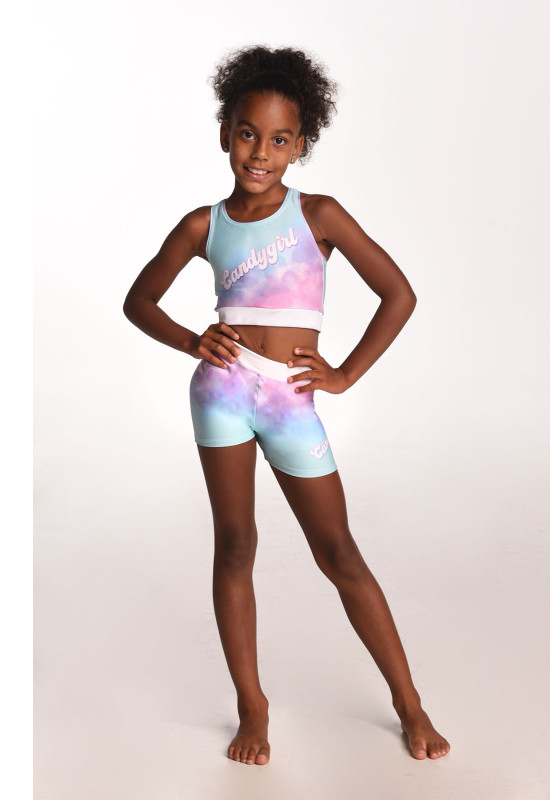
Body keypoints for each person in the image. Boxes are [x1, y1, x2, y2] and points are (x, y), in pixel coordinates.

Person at [123, 44, 450, 767]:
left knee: (339, 553)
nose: (260, 153)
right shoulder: (203, 225)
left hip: (289, 403)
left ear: (300, 145)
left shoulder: (318, 214)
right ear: (225, 134)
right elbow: (138, 301)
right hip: (221, 394)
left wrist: (346, 373)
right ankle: (253, 705)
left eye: (278, 139)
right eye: (248, 134)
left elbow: (399, 294)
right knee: (235, 544)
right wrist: (190, 340)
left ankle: (410, 704)